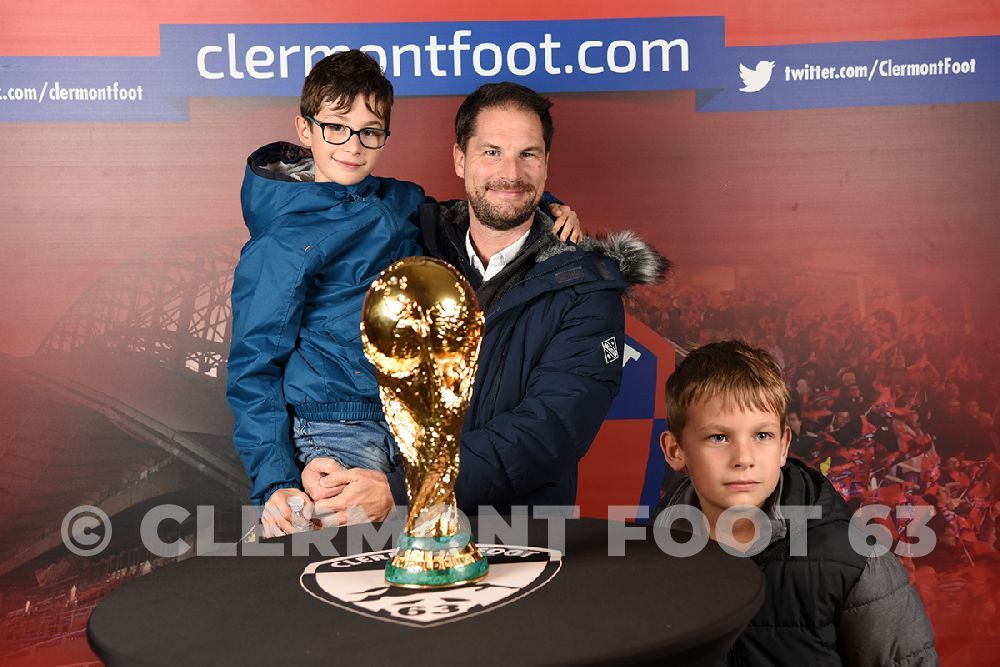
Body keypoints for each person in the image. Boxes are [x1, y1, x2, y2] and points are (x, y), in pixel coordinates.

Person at [226, 52, 580, 537]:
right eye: (336, 127)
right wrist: (276, 482)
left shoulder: (401, 200)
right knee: (344, 574)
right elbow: (253, 369)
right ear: (304, 129)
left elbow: (482, 206)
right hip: (336, 428)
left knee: (425, 583)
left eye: (370, 131)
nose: (352, 145)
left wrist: (549, 207)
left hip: (414, 422)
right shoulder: (280, 243)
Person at [303, 82, 668, 520]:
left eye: (528, 154)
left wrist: (406, 489)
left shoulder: (588, 290)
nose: (510, 172)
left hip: (517, 544)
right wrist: (307, 465)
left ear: (547, 164)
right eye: (491, 152)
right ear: (460, 159)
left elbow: (547, 433)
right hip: (387, 531)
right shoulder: (410, 237)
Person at [655, 340, 937, 665]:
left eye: (762, 436)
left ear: (784, 445)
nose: (743, 458)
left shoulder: (855, 564)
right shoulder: (650, 565)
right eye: (718, 437)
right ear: (675, 450)